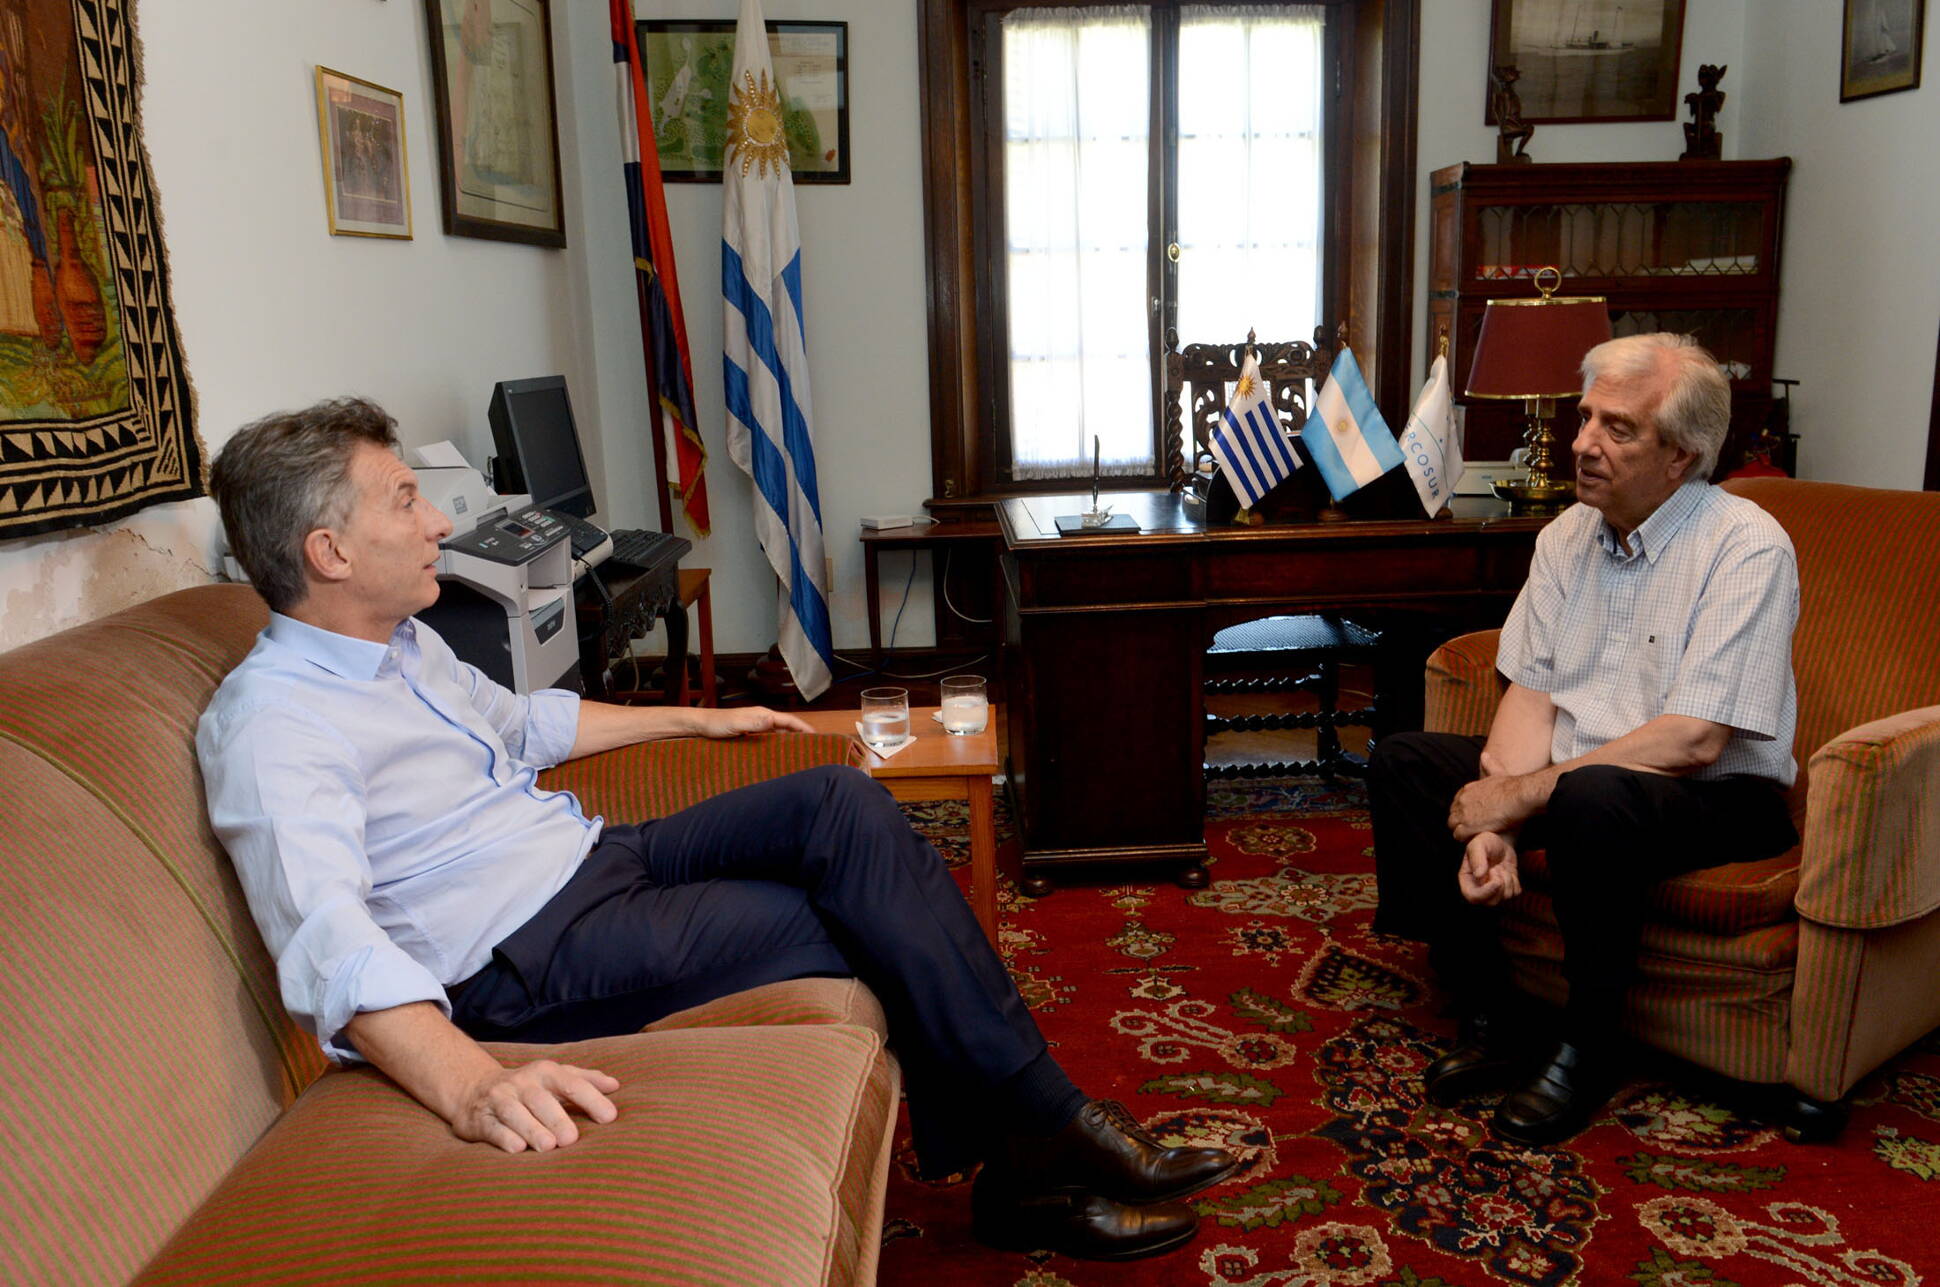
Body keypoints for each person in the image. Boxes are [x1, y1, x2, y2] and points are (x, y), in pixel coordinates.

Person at [197, 398, 1238, 1261]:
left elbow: (525, 725)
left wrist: (702, 714)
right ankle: (1040, 1146)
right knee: (851, 925)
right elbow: (326, 938)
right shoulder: (274, 724)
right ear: (328, 549)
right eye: (406, 500)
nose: (436, 524)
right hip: (523, 955)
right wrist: (472, 1083)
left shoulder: (398, 643)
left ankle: (1031, 1149)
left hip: (592, 857)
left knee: (834, 802)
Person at [1368, 333, 1800, 1145]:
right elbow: (1531, 698)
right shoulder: (1568, 534)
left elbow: (1693, 739)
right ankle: (1493, 1007)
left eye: (1617, 429)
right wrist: (1494, 818)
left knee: (1590, 795)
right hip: (1587, 777)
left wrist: (1526, 795)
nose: (1582, 443)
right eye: (1584, 417)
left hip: (1716, 797)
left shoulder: (1746, 547)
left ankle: (1588, 1042)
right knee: (1409, 760)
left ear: (1681, 455)